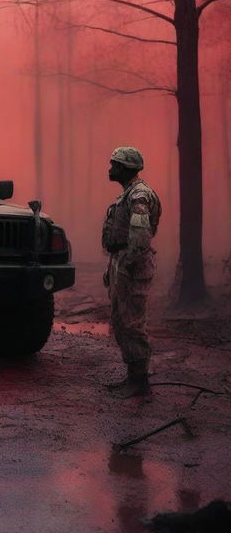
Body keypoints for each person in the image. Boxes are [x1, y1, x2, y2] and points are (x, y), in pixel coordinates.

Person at [102, 147, 161, 399]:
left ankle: (140, 381)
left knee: (132, 321)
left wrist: (127, 264)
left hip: (132, 264)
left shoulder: (138, 195)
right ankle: (133, 376)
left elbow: (140, 236)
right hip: (123, 261)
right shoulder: (128, 193)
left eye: (114, 164)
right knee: (120, 319)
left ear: (125, 168)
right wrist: (112, 268)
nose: (110, 169)